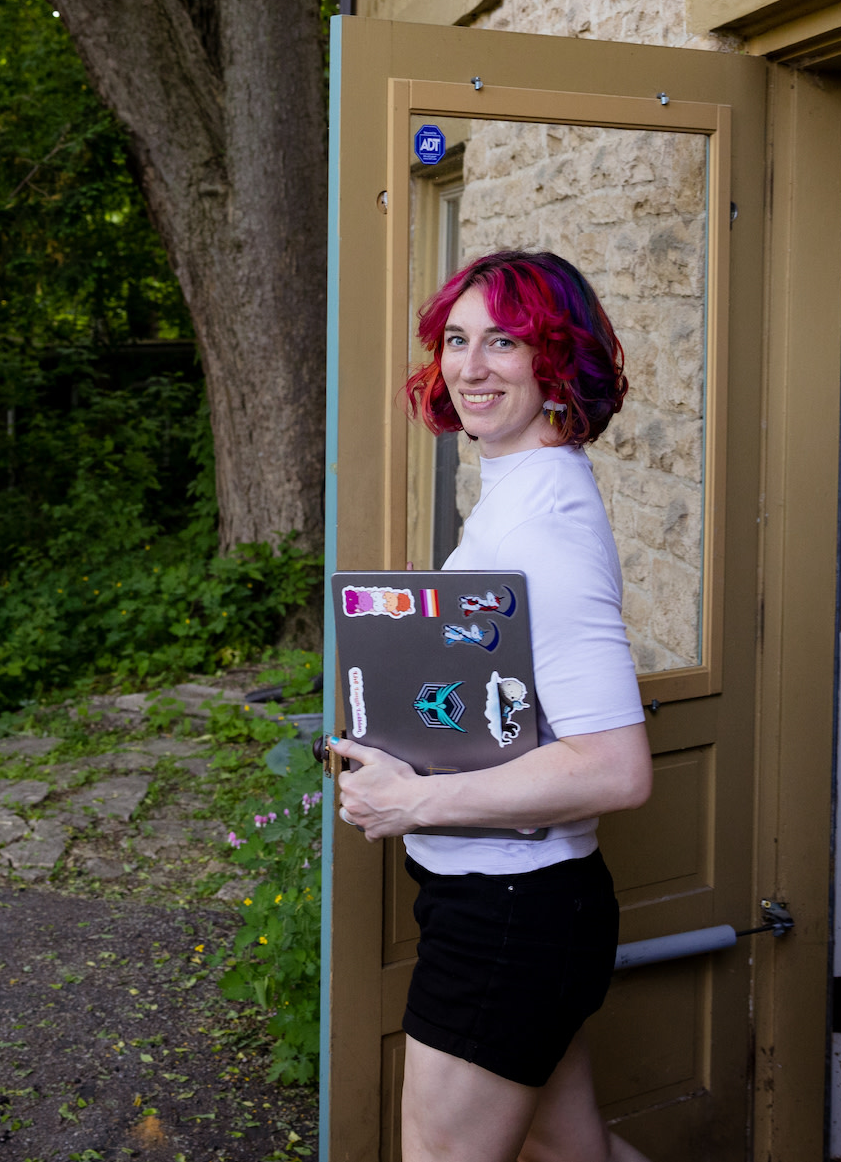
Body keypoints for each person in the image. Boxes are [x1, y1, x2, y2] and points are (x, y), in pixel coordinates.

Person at [330, 249, 655, 1162]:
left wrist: (416, 801)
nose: (469, 368)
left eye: (503, 341)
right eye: (457, 340)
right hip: (516, 906)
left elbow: (614, 767)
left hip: (510, 917)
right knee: (566, 1153)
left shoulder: (544, 528)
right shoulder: (518, 492)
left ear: (557, 362)